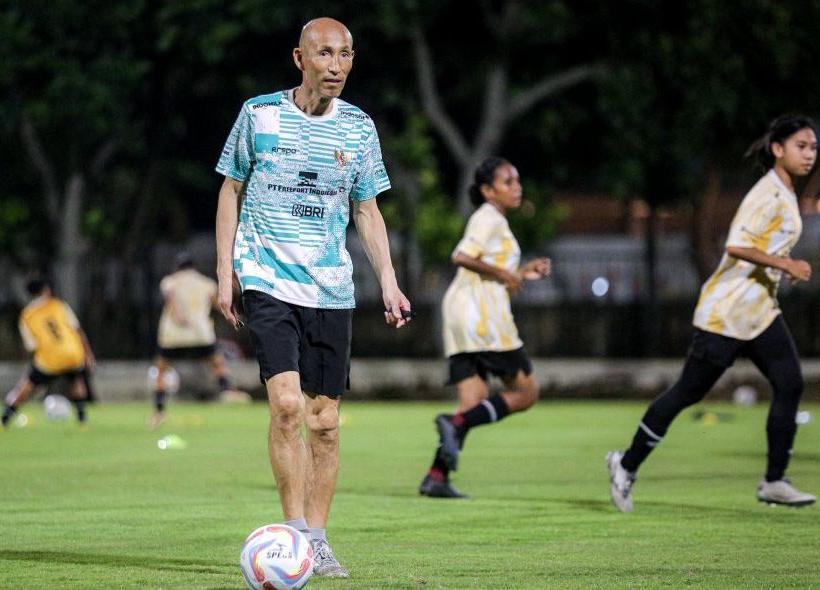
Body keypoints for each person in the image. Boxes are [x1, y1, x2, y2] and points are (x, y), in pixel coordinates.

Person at [214, 17, 411, 578]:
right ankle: (293, 536)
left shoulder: (358, 129)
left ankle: (319, 539)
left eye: (346, 54)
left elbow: (367, 211)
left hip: (330, 286)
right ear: (299, 58)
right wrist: (226, 273)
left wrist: (390, 282)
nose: (337, 65)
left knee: (324, 422)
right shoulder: (259, 115)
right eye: (325, 54)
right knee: (287, 407)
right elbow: (231, 190)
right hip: (266, 277)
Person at [606, 114, 819, 512]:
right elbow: (736, 246)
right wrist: (786, 265)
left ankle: (774, 481)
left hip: (759, 312)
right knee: (688, 392)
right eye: (801, 146)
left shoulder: (786, 192)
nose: (809, 154)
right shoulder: (767, 194)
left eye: (813, 147)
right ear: (778, 149)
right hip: (727, 312)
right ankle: (626, 463)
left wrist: (778, 267)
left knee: (790, 383)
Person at [418, 157, 552, 498]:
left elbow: (485, 271)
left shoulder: (495, 221)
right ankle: (454, 424)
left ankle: (436, 476)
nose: (517, 187)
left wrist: (520, 273)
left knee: (473, 400)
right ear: (487, 191)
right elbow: (461, 257)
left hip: (464, 315)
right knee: (526, 392)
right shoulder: (487, 217)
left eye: (517, 180)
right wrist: (506, 274)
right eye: (508, 182)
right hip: (482, 318)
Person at [148, 252, 247, 429]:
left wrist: (179, 317)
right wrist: (233, 315)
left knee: (161, 370)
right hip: (201, 333)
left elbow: (171, 300)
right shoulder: (205, 283)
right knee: (217, 363)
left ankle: (158, 412)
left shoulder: (170, 281)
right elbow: (218, 304)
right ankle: (226, 390)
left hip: (173, 335)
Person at [0, 278, 96, 431]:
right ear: (46, 290)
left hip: (50, 360)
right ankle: (83, 421)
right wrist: (88, 354)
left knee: (26, 388)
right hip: (73, 353)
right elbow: (78, 330)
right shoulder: (58, 305)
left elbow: (31, 346)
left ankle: (3, 421)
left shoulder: (27, 316)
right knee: (76, 382)